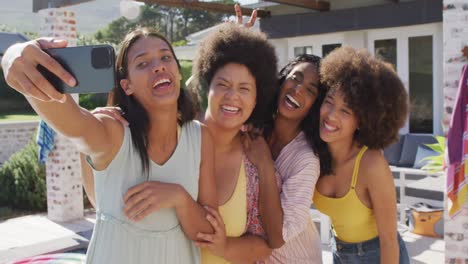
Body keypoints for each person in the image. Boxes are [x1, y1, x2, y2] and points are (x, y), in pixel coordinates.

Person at [1, 27, 217, 264]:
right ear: (127, 86)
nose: (159, 66)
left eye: (166, 57)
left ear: (176, 71)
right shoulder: (113, 132)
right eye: (143, 63)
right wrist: (14, 55)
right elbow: (71, 122)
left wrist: (179, 198)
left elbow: (208, 233)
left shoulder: (200, 137)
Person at [313, 46, 410, 264]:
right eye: (329, 101)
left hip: (380, 255)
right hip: (340, 254)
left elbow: (389, 241)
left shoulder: (371, 164)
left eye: (345, 111)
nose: (330, 116)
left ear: (363, 120)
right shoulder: (314, 154)